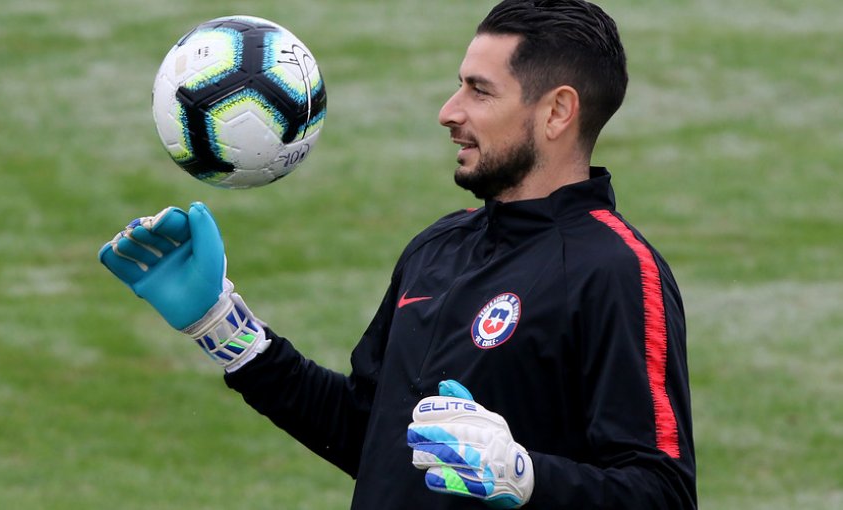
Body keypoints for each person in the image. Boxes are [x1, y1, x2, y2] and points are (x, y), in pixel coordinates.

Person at [99, 0, 697, 508]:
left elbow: (663, 491)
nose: (449, 111)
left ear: (557, 111)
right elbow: (370, 436)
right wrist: (225, 330)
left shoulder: (615, 271)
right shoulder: (439, 248)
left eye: (479, 91)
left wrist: (526, 477)